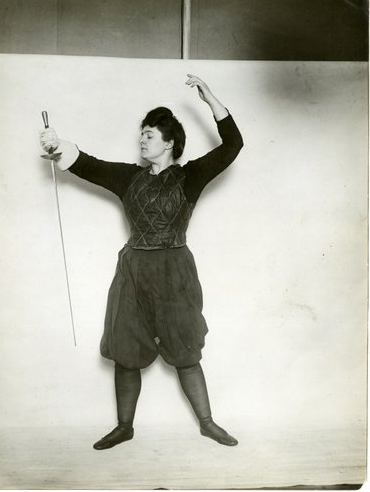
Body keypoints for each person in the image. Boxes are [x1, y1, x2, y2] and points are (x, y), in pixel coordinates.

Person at [40, 74, 243, 450]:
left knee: (185, 351)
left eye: (149, 134)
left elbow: (233, 145)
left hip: (174, 273)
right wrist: (57, 144)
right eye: (142, 134)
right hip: (133, 273)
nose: (142, 140)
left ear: (169, 142)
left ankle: (207, 423)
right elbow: (87, 164)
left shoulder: (191, 176)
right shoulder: (128, 178)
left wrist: (211, 99)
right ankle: (124, 427)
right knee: (126, 351)